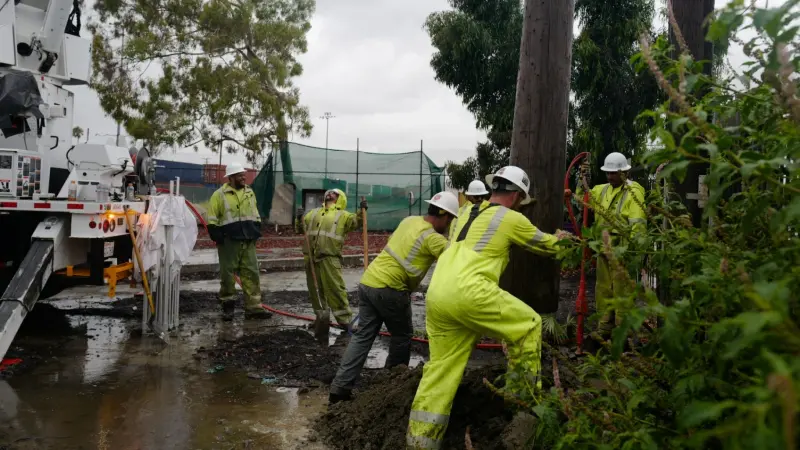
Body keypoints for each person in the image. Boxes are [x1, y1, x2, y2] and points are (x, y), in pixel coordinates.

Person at [406, 166, 571, 449]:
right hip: (469, 291)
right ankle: (523, 406)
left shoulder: (465, 213)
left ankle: (420, 442)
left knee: (441, 370)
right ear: (518, 196)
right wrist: (567, 242)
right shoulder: (511, 218)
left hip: (438, 293)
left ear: (494, 188)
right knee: (528, 325)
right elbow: (549, 246)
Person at [328, 191, 460, 405]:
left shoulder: (410, 221)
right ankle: (391, 387)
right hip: (391, 289)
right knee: (402, 336)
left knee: (362, 337)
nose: (449, 224)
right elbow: (457, 257)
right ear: (444, 215)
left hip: (369, 281)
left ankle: (339, 389)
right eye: (451, 219)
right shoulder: (433, 238)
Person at [566, 152, 646, 336]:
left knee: (621, 290)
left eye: (613, 173)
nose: (610, 177)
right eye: (608, 173)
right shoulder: (602, 189)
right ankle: (604, 328)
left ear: (624, 172)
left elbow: (638, 224)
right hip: (603, 246)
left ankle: (622, 332)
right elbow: (583, 199)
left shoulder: (634, 191)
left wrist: (633, 250)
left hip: (622, 248)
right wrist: (581, 179)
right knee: (603, 288)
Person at [207, 162, 272, 321]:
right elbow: (212, 217)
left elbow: (254, 213)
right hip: (229, 241)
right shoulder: (219, 195)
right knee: (228, 276)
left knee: (251, 273)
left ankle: (254, 308)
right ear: (231, 177)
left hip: (248, 239)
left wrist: (256, 228)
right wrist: (217, 234)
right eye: (240, 175)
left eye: (244, 174)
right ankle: (228, 307)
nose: (244, 177)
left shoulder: (250, 192)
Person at [300, 189, 367, 342]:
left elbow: (356, 222)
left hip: (330, 258)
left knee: (335, 289)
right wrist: (299, 218)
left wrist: (361, 211)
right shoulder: (313, 213)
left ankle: (345, 321)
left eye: (335, 194)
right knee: (316, 291)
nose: (330, 194)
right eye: (329, 193)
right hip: (311, 258)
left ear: (340, 199)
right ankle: (321, 318)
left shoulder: (343, 215)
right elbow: (300, 228)